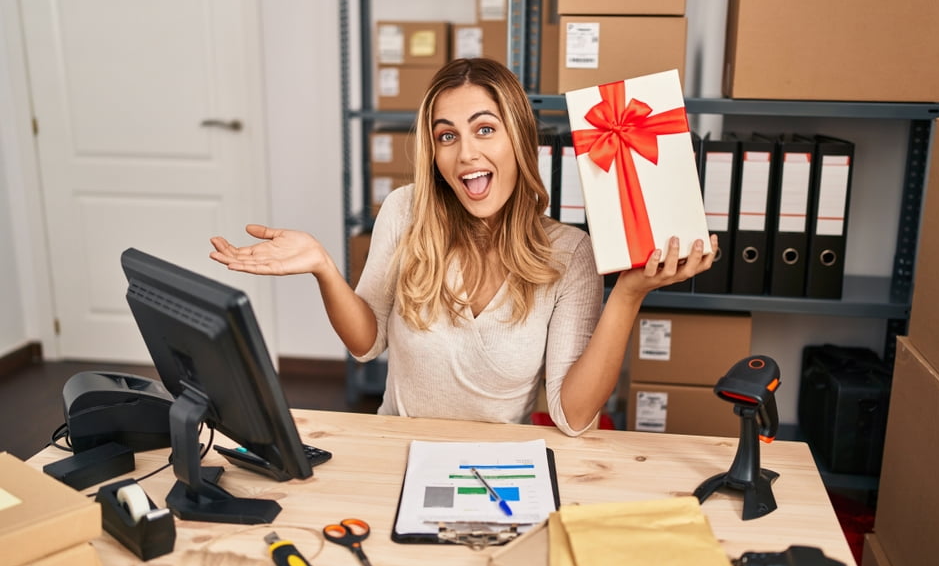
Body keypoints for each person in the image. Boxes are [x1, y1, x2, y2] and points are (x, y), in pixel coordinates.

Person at [209, 58, 716, 437]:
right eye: (446, 136)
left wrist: (627, 294)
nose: (466, 153)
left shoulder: (569, 253)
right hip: (395, 448)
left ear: (519, 138)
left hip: (498, 466)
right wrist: (323, 266)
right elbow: (366, 344)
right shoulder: (407, 211)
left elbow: (574, 416)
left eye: (485, 129)